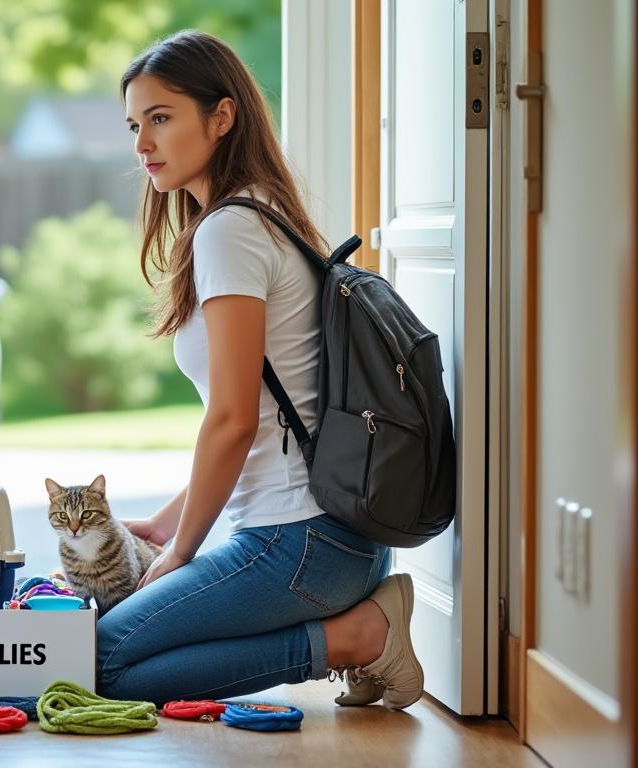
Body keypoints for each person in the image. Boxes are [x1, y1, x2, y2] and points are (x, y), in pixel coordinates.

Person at [97, 30, 423, 710]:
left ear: (221, 117)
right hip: (324, 541)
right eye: (135, 124)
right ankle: (354, 622)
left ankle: (360, 637)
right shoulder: (258, 216)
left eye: (161, 118)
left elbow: (234, 418)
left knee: (99, 661)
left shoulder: (230, 231)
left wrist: (179, 554)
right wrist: (166, 523)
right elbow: (270, 417)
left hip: (300, 543)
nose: (142, 145)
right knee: (116, 645)